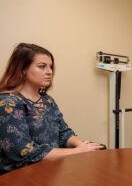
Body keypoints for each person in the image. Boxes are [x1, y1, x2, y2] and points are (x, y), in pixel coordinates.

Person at [0, 43, 105, 174]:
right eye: (42, 67)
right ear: (23, 69)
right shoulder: (8, 103)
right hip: (20, 176)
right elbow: (24, 151)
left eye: (50, 67)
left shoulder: (47, 100)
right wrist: (75, 152)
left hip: (50, 170)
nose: (49, 72)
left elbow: (63, 132)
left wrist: (82, 146)